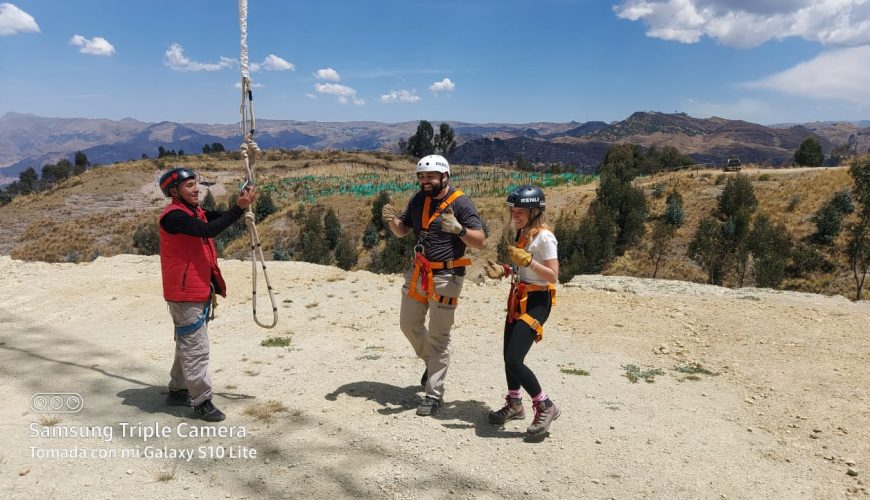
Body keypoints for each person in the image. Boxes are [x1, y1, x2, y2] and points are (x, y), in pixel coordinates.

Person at [381, 155, 485, 416]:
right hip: (419, 272)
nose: (425, 181)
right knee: (408, 324)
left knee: (439, 336)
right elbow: (403, 230)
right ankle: (432, 362)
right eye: (421, 176)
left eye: (430, 176)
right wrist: (391, 220)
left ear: (445, 176)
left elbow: (480, 241)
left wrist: (460, 230)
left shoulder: (461, 203)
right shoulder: (418, 199)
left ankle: (434, 394)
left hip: (447, 277)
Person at [157, 167, 256, 422]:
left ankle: (178, 388)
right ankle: (202, 401)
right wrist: (238, 207)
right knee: (196, 346)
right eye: (189, 185)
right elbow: (208, 231)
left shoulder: (195, 212)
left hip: (194, 288)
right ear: (173, 191)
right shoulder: (174, 217)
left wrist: (241, 205)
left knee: (188, 341)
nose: (196, 189)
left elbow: (217, 220)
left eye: (195, 184)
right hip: (185, 291)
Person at [483, 185, 560, 435]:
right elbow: (522, 268)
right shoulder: (523, 234)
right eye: (513, 211)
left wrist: (529, 261)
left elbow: (553, 276)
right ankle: (515, 403)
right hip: (519, 297)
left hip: (537, 301)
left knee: (515, 359)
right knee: (508, 355)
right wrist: (505, 270)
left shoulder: (545, 238)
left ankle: (545, 404)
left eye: (521, 211)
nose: (515, 215)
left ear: (536, 211)